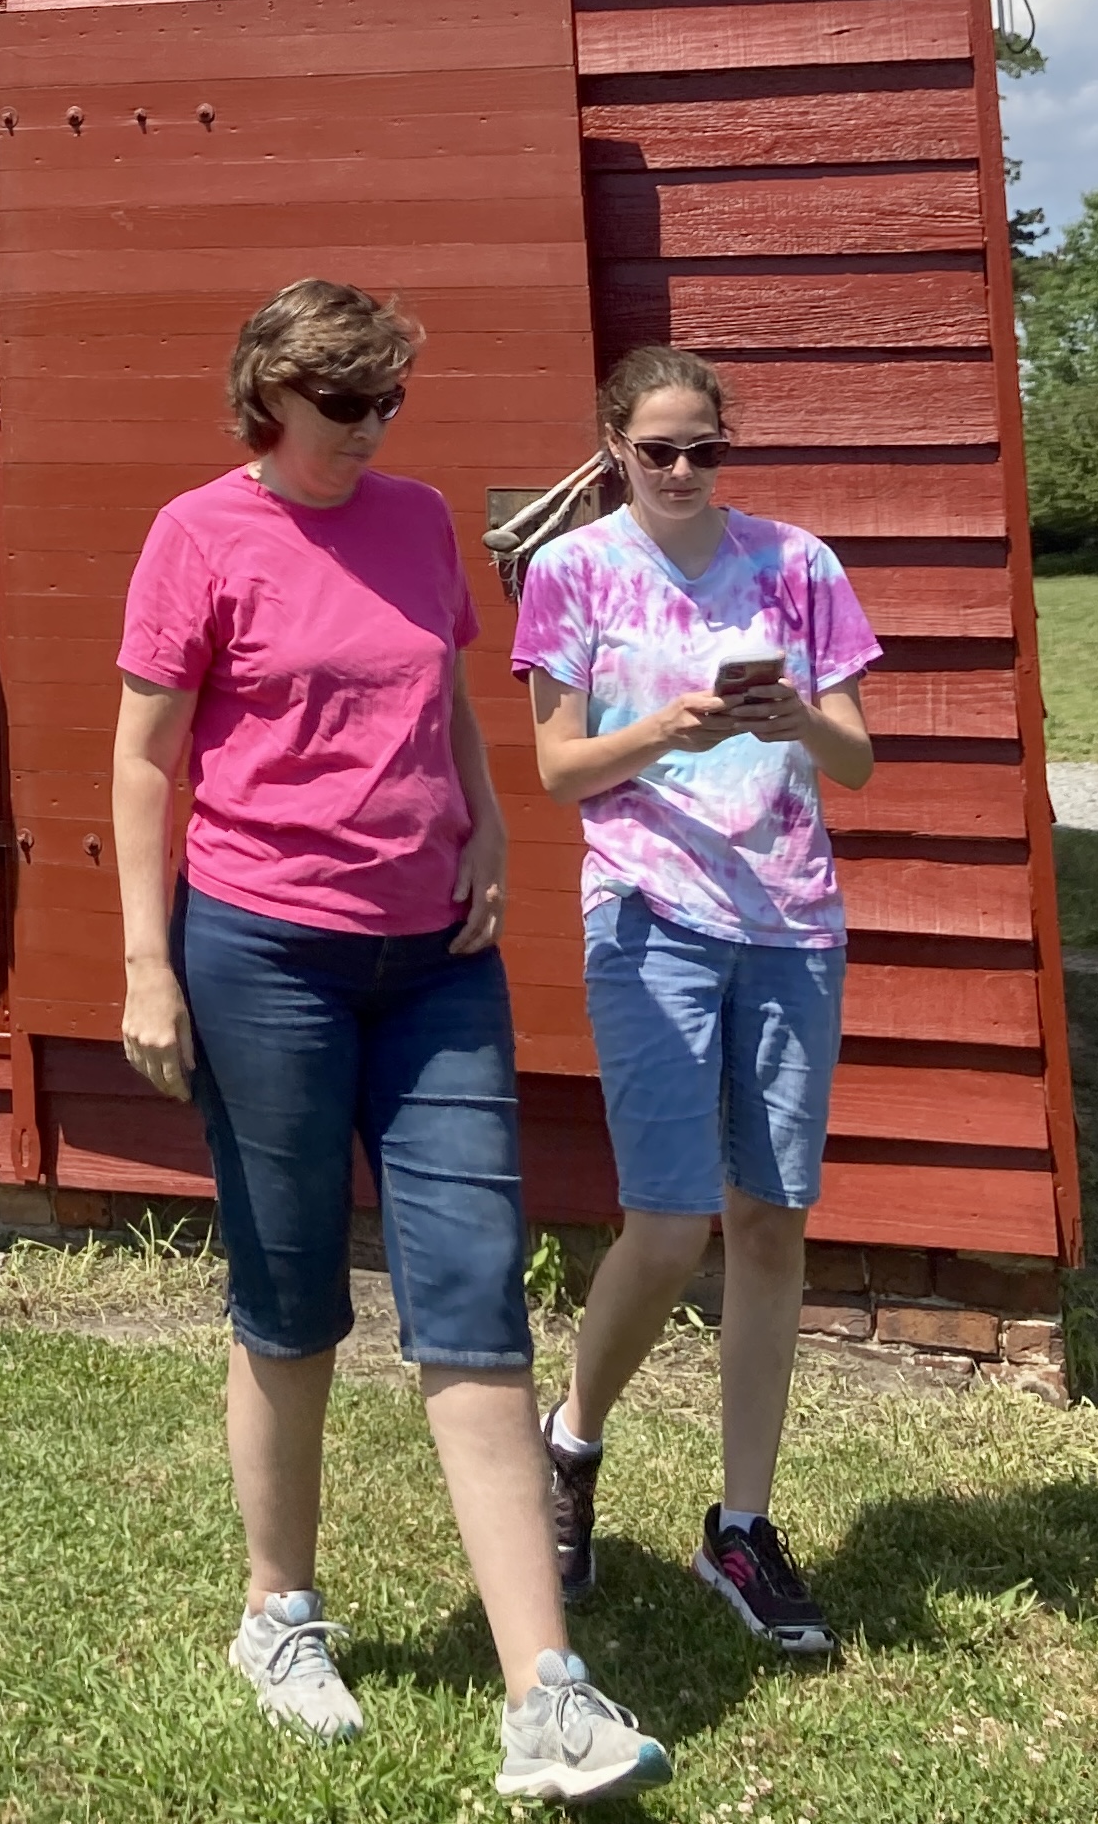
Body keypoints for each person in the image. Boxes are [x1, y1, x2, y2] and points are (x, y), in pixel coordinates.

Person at [114, 277, 670, 1802]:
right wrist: (146, 963)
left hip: (436, 957)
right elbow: (145, 758)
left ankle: (546, 1691)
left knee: (474, 1288)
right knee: (288, 1291)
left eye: (387, 404)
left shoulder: (422, 521)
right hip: (261, 948)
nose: (370, 431)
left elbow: (444, 702)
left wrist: (489, 829)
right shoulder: (198, 534)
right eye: (345, 404)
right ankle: (277, 1610)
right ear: (270, 395)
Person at [516, 343, 878, 1659]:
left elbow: (861, 757)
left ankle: (742, 1524)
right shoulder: (572, 572)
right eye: (658, 448)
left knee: (771, 1220)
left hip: (790, 921)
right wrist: (663, 732)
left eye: (704, 448)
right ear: (614, 444)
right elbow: (558, 772)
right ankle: (572, 1439)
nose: (682, 470)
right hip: (650, 914)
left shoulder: (797, 564)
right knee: (667, 1224)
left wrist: (791, 716)